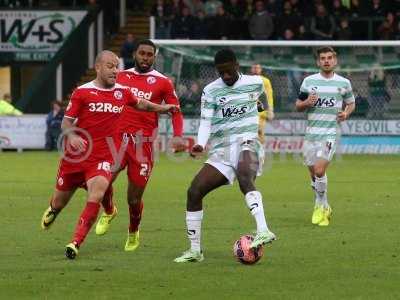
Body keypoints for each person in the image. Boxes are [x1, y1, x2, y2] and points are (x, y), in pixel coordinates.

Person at [40, 50, 178, 259]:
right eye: (110, 66)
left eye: (117, 66)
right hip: (75, 157)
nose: (115, 70)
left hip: (104, 158)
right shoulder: (82, 92)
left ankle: (75, 242)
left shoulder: (122, 92)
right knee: (59, 202)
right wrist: (72, 136)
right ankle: (54, 209)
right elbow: (66, 122)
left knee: (96, 194)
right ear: (98, 67)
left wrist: (162, 108)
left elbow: (142, 104)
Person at [174, 49, 276, 263]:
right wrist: (201, 144)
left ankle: (263, 230)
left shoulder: (255, 82)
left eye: (228, 71)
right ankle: (195, 251)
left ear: (236, 65)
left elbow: (263, 102)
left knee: (245, 177)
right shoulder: (211, 91)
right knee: (194, 191)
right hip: (222, 150)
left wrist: (259, 109)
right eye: (221, 72)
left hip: (248, 141)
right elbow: (205, 121)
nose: (225, 76)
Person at [94, 39, 185, 252]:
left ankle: (133, 231)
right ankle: (109, 211)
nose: (145, 57)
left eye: (149, 54)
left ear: (155, 56)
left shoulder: (163, 82)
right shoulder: (121, 76)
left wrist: (178, 136)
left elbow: (175, 110)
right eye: (142, 53)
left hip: (142, 146)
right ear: (135, 54)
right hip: (117, 142)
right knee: (102, 183)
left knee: (134, 198)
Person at [295, 46, 355, 227]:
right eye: (323, 58)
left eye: (329, 58)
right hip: (311, 135)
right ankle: (324, 204)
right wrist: (307, 102)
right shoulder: (308, 81)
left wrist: (346, 113)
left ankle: (320, 206)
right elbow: (298, 105)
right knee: (314, 175)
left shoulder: (343, 83)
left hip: (329, 133)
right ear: (318, 62)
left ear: (335, 60)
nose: (326, 61)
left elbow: (351, 103)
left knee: (320, 171)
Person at [250, 64, 274, 145]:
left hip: (261, 111)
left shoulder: (266, 81)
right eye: (254, 67)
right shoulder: (246, 80)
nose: (256, 69)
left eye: (258, 68)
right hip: (249, 110)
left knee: (259, 132)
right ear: (251, 69)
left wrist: (270, 110)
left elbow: (269, 96)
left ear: (261, 69)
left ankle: (260, 154)